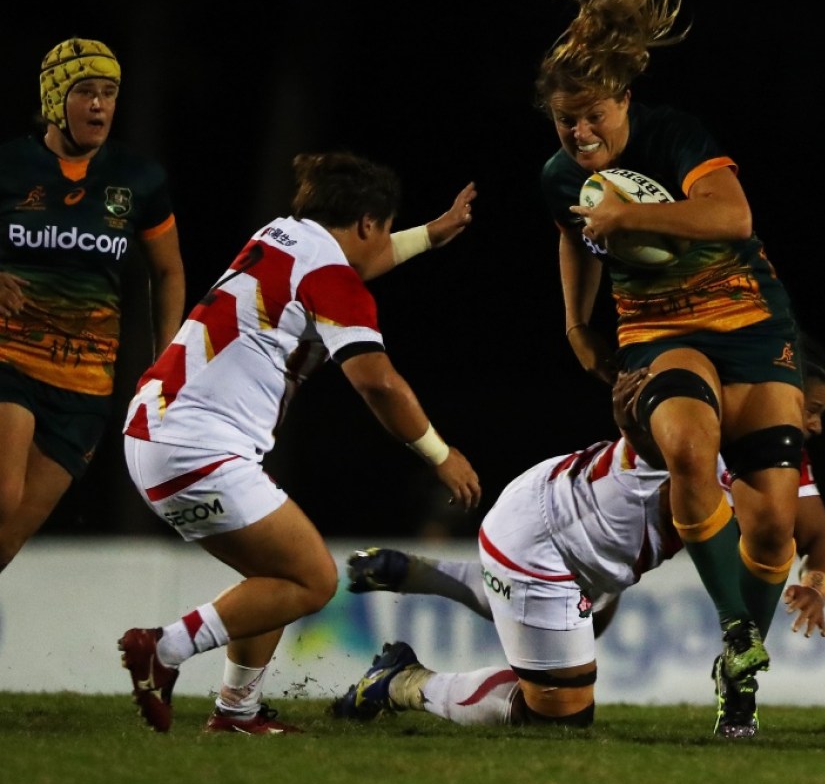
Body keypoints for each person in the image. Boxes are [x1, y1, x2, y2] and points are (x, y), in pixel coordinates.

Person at [115, 151, 481, 735]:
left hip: (154, 430)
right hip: (196, 446)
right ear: (366, 222)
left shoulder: (279, 238)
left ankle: (236, 712)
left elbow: (358, 261)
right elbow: (378, 383)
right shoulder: (331, 277)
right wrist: (441, 454)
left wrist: (431, 235)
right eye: (383, 228)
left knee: (277, 578)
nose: (383, 243)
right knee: (314, 580)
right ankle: (164, 649)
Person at [331, 332, 825, 738]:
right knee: (557, 718)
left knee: (581, 626)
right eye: (808, 408)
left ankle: (431, 576)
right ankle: (401, 682)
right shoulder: (694, 417)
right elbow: (662, 453)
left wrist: (815, 586)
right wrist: (632, 423)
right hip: (545, 539)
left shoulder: (776, 456)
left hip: (589, 551)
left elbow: (818, 541)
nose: (813, 425)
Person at [535, 0, 806, 730]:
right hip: (657, 331)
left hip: (750, 322)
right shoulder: (560, 176)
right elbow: (574, 233)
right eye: (565, 122)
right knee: (687, 446)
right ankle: (737, 631)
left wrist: (631, 213)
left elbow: (733, 217)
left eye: (592, 117)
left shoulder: (674, 135)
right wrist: (575, 324)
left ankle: (737, 681)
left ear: (623, 102)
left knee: (775, 525)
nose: (580, 135)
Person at [0, 37, 186, 574]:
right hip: (11, 357)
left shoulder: (138, 179)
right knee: (3, 497)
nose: (100, 105)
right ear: (56, 100)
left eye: (109, 93)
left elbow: (168, 271)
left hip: (84, 386)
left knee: (7, 540)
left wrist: (164, 361)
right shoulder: (10, 165)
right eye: (86, 92)